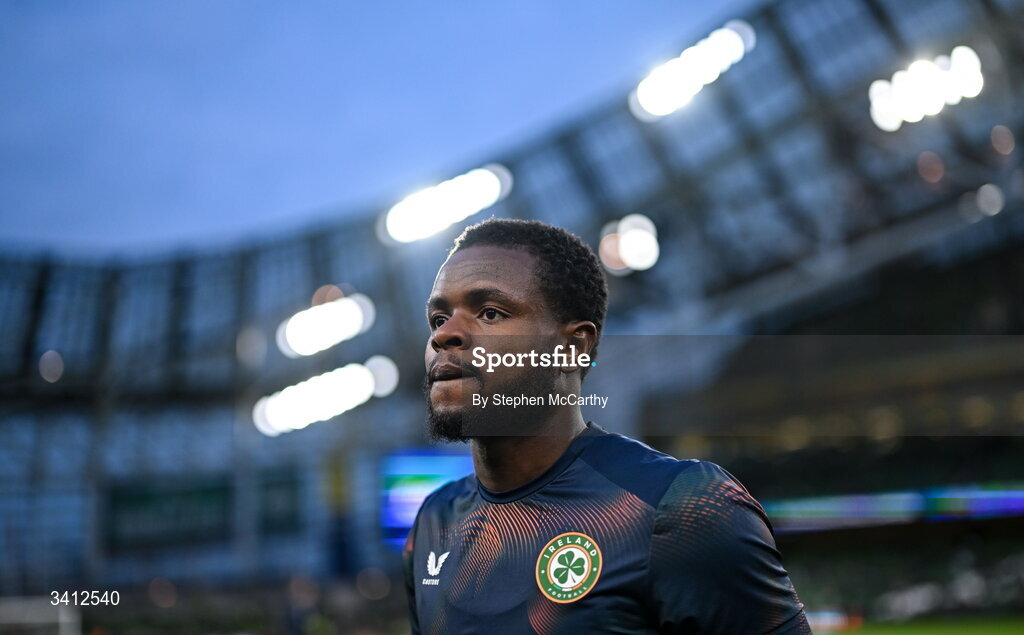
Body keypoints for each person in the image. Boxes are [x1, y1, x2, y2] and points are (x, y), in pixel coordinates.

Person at [405, 218, 809, 634]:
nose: (445, 335)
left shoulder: (681, 508)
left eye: (490, 313)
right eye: (438, 319)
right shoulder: (434, 523)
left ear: (572, 347)